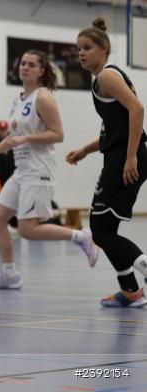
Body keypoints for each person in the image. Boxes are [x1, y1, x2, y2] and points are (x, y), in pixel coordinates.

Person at [0, 50, 99, 290]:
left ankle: (81, 237)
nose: (25, 67)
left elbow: (58, 134)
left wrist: (26, 139)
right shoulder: (19, 98)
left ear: (42, 71)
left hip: (38, 170)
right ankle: (9, 274)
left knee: (27, 229)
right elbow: (15, 137)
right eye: (23, 63)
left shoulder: (44, 98)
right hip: (21, 171)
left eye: (31, 65)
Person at [66, 18, 147, 307]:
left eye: (86, 48)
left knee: (100, 231)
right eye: (78, 50)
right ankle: (131, 292)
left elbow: (138, 109)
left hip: (127, 158)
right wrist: (86, 150)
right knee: (105, 230)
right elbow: (116, 129)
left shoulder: (107, 77)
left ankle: (138, 281)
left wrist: (130, 156)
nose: (81, 54)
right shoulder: (102, 80)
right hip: (118, 155)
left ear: (103, 49)